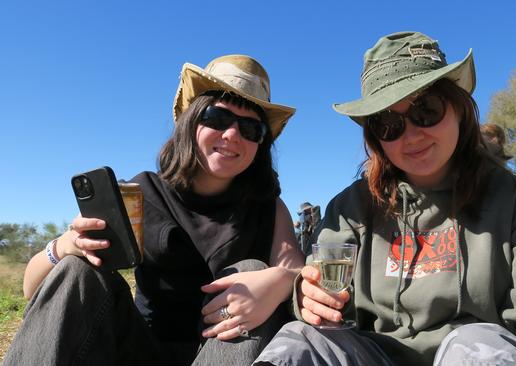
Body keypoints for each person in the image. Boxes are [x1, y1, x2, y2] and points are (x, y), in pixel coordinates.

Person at [254, 32, 516, 366]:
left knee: (480, 345)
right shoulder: (350, 210)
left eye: (426, 111)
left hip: (471, 354)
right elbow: (330, 303)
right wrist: (307, 297)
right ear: (376, 138)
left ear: (458, 108)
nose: (410, 136)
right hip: (373, 355)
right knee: (297, 340)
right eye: (388, 124)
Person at [6, 55, 304, 366]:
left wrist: (281, 282)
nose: (232, 135)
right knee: (77, 269)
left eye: (250, 128)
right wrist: (66, 245)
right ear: (191, 121)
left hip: (227, 353)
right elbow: (32, 288)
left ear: (260, 145)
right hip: (141, 350)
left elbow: (295, 270)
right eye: (217, 118)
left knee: (255, 272)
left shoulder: (268, 207)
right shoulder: (140, 194)